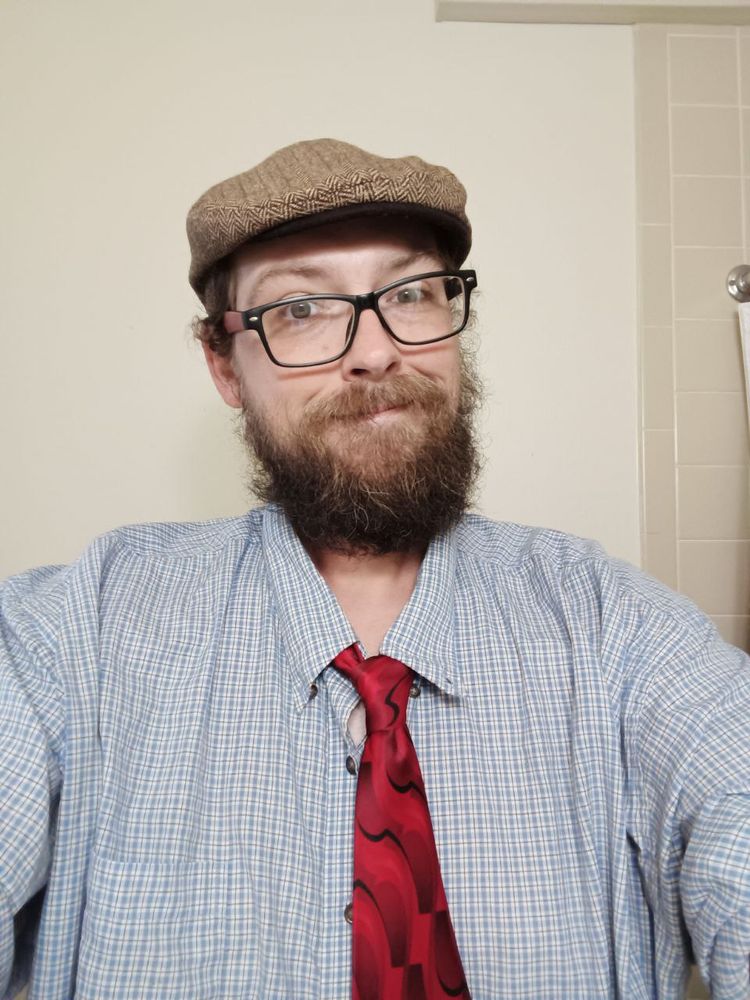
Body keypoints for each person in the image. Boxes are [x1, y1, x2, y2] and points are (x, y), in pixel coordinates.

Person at [1, 138, 749, 1000]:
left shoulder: (619, 626)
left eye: (411, 294)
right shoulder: (77, 631)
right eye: (302, 310)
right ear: (224, 365)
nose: (375, 352)